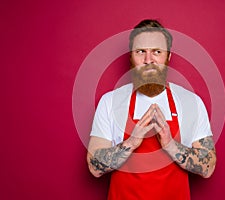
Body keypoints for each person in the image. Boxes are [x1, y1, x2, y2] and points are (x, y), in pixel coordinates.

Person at [87, 19, 216, 200]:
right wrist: (132, 142)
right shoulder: (110, 101)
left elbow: (208, 167)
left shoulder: (191, 102)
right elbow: (94, 167)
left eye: (157, 52)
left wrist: (170, 145)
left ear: (168, 56)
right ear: (131, 56)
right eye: (141, 52)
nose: (149, 60)